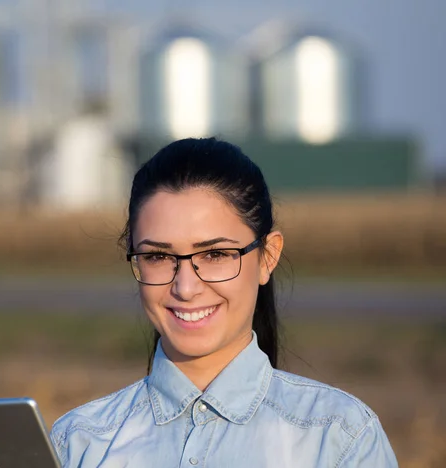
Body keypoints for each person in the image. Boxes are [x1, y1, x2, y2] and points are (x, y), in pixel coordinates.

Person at [50, 138, 398, 467]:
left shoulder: (339, 439)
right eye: (157, 256)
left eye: (215, 254)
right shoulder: (79, 443)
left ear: (267, 257)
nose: (185, 287)